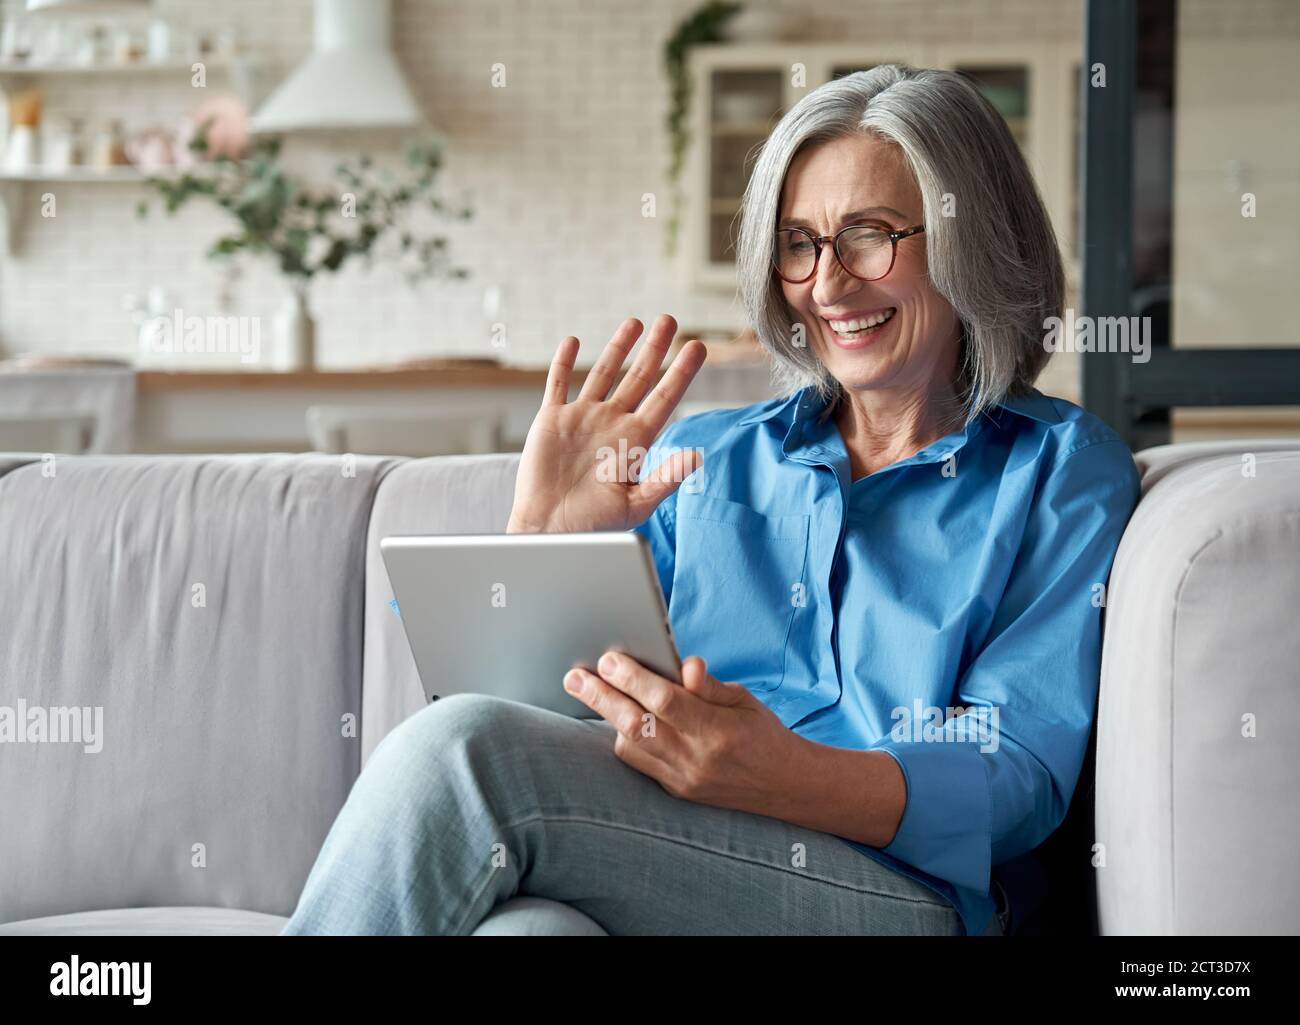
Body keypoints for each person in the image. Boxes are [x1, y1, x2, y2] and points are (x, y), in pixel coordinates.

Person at [282, 65, 1140, 937]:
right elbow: (547, 723)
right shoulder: (714, 453)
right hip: (677, 860)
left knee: (461, 756)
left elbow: (1021, 776)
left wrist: (783, 772)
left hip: (898, 892)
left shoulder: (1060, 468)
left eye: (870, 235)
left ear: (973, 239)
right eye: (800, 243)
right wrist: (540, 539)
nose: (829, 284)